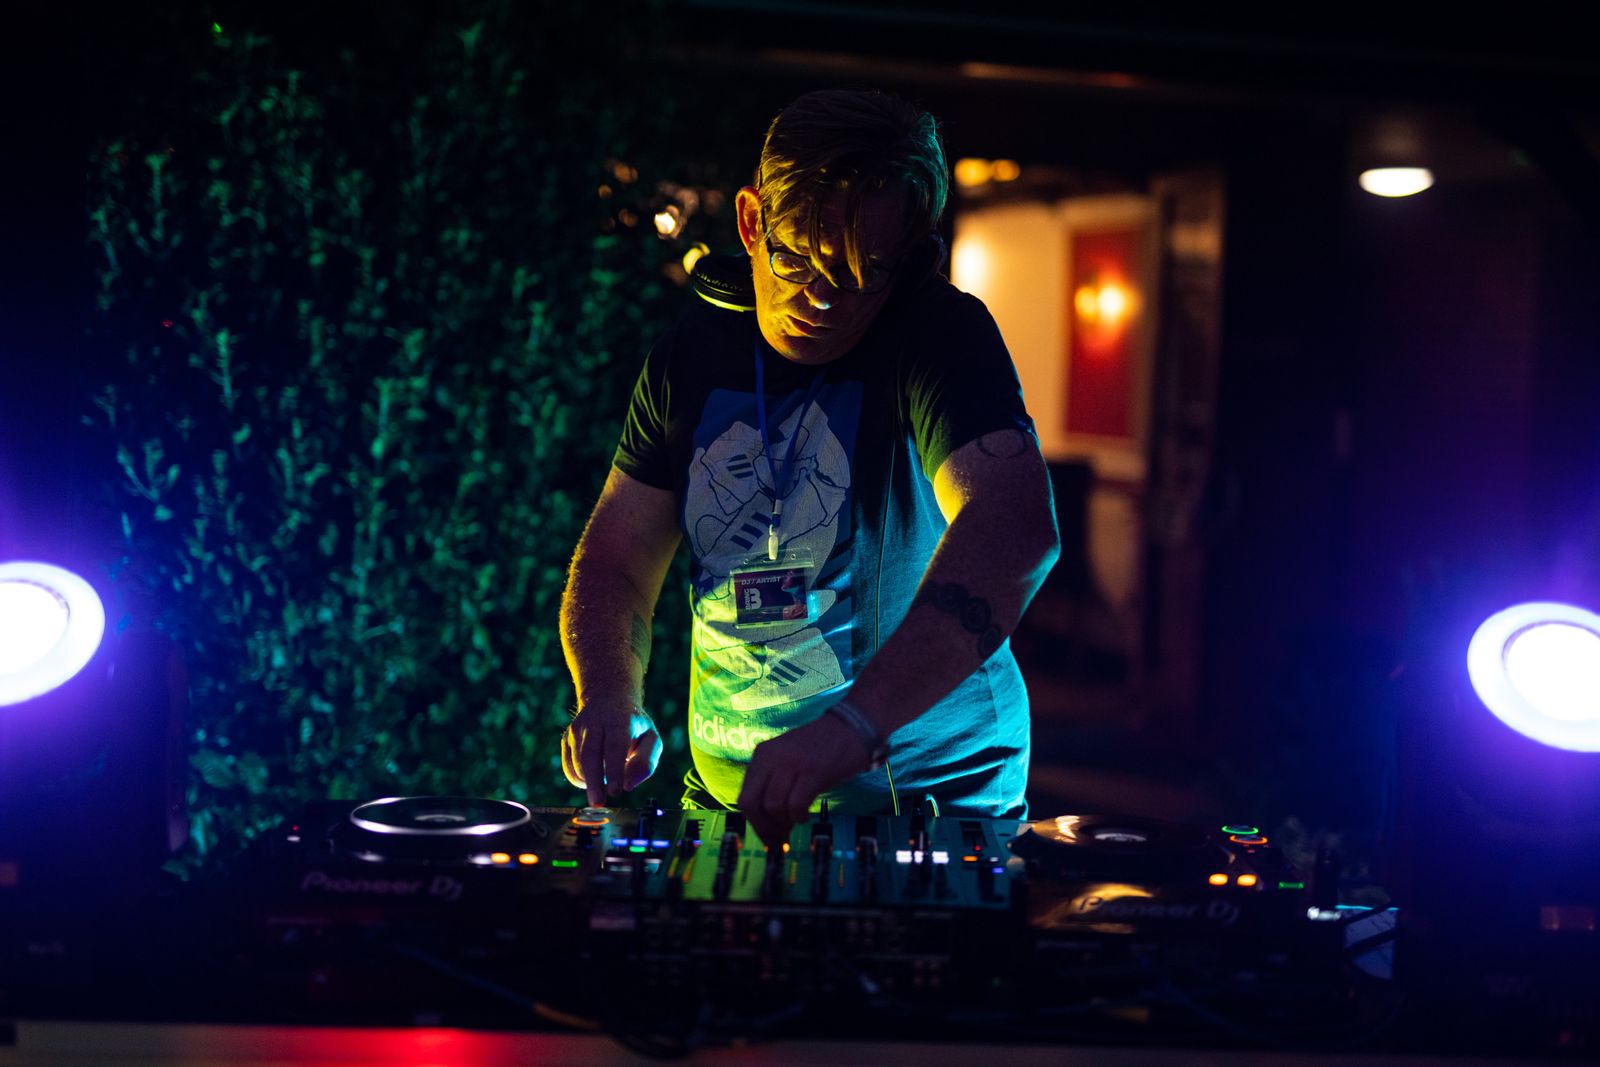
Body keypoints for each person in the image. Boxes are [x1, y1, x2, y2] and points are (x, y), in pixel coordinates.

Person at [559, 89, 1059, 846]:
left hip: (924, 809)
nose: (821, 297)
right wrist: (608, 693)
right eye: (794, 257)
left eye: (861, 272)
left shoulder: (940, 338)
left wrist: (854, 726)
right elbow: (617, 557)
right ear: (751, 221)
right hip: (728, 805)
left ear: (910, 255)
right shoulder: (692, 352)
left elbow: (1013, 526)